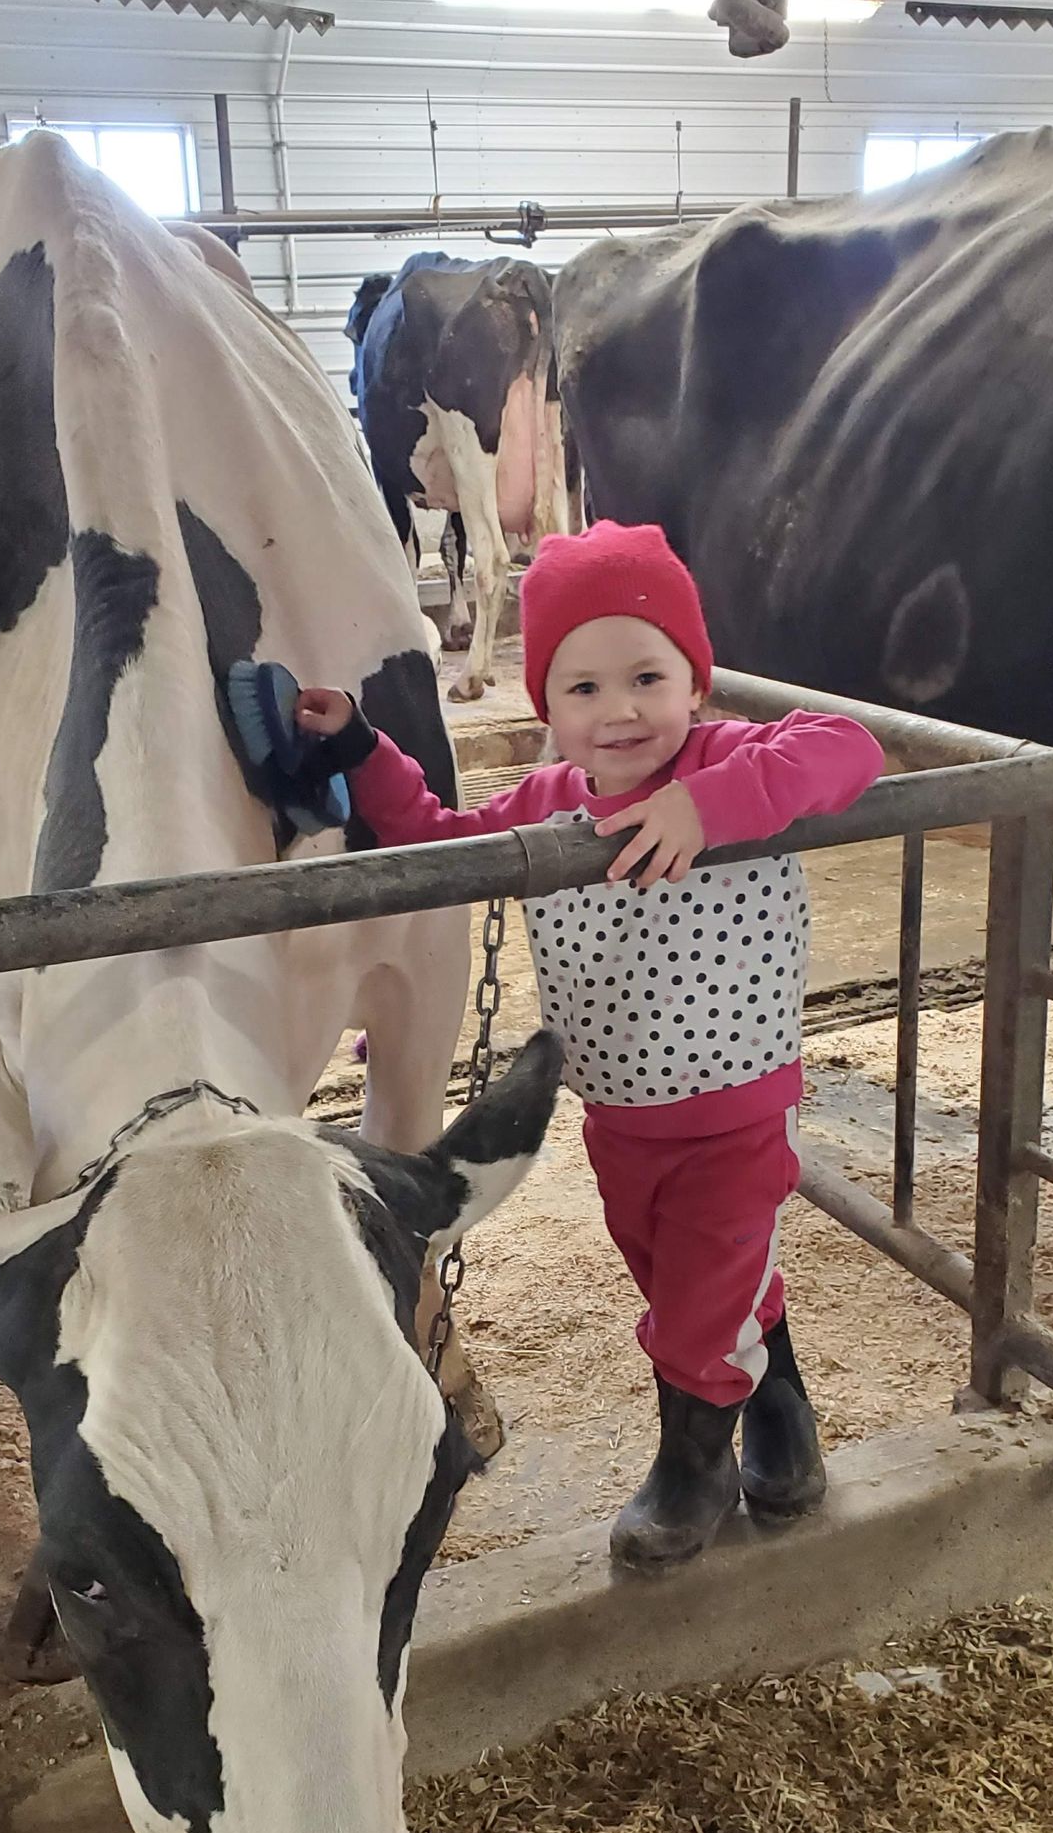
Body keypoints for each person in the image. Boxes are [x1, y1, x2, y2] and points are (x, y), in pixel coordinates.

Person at [295, 518, 885, 1568]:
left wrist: (714, 804)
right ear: (545, 708)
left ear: (695, 685)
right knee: (685, 1278)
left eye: (648, 677)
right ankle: (782, 1415)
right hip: (620, 1115)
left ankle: (691, 1471)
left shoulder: (727, 761)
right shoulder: (549, 804)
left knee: (701, 1302)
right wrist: (359, 749)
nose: (620, 711)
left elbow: (850, 748)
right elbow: (439, 842)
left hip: (739, 1107)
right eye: (583, 688)